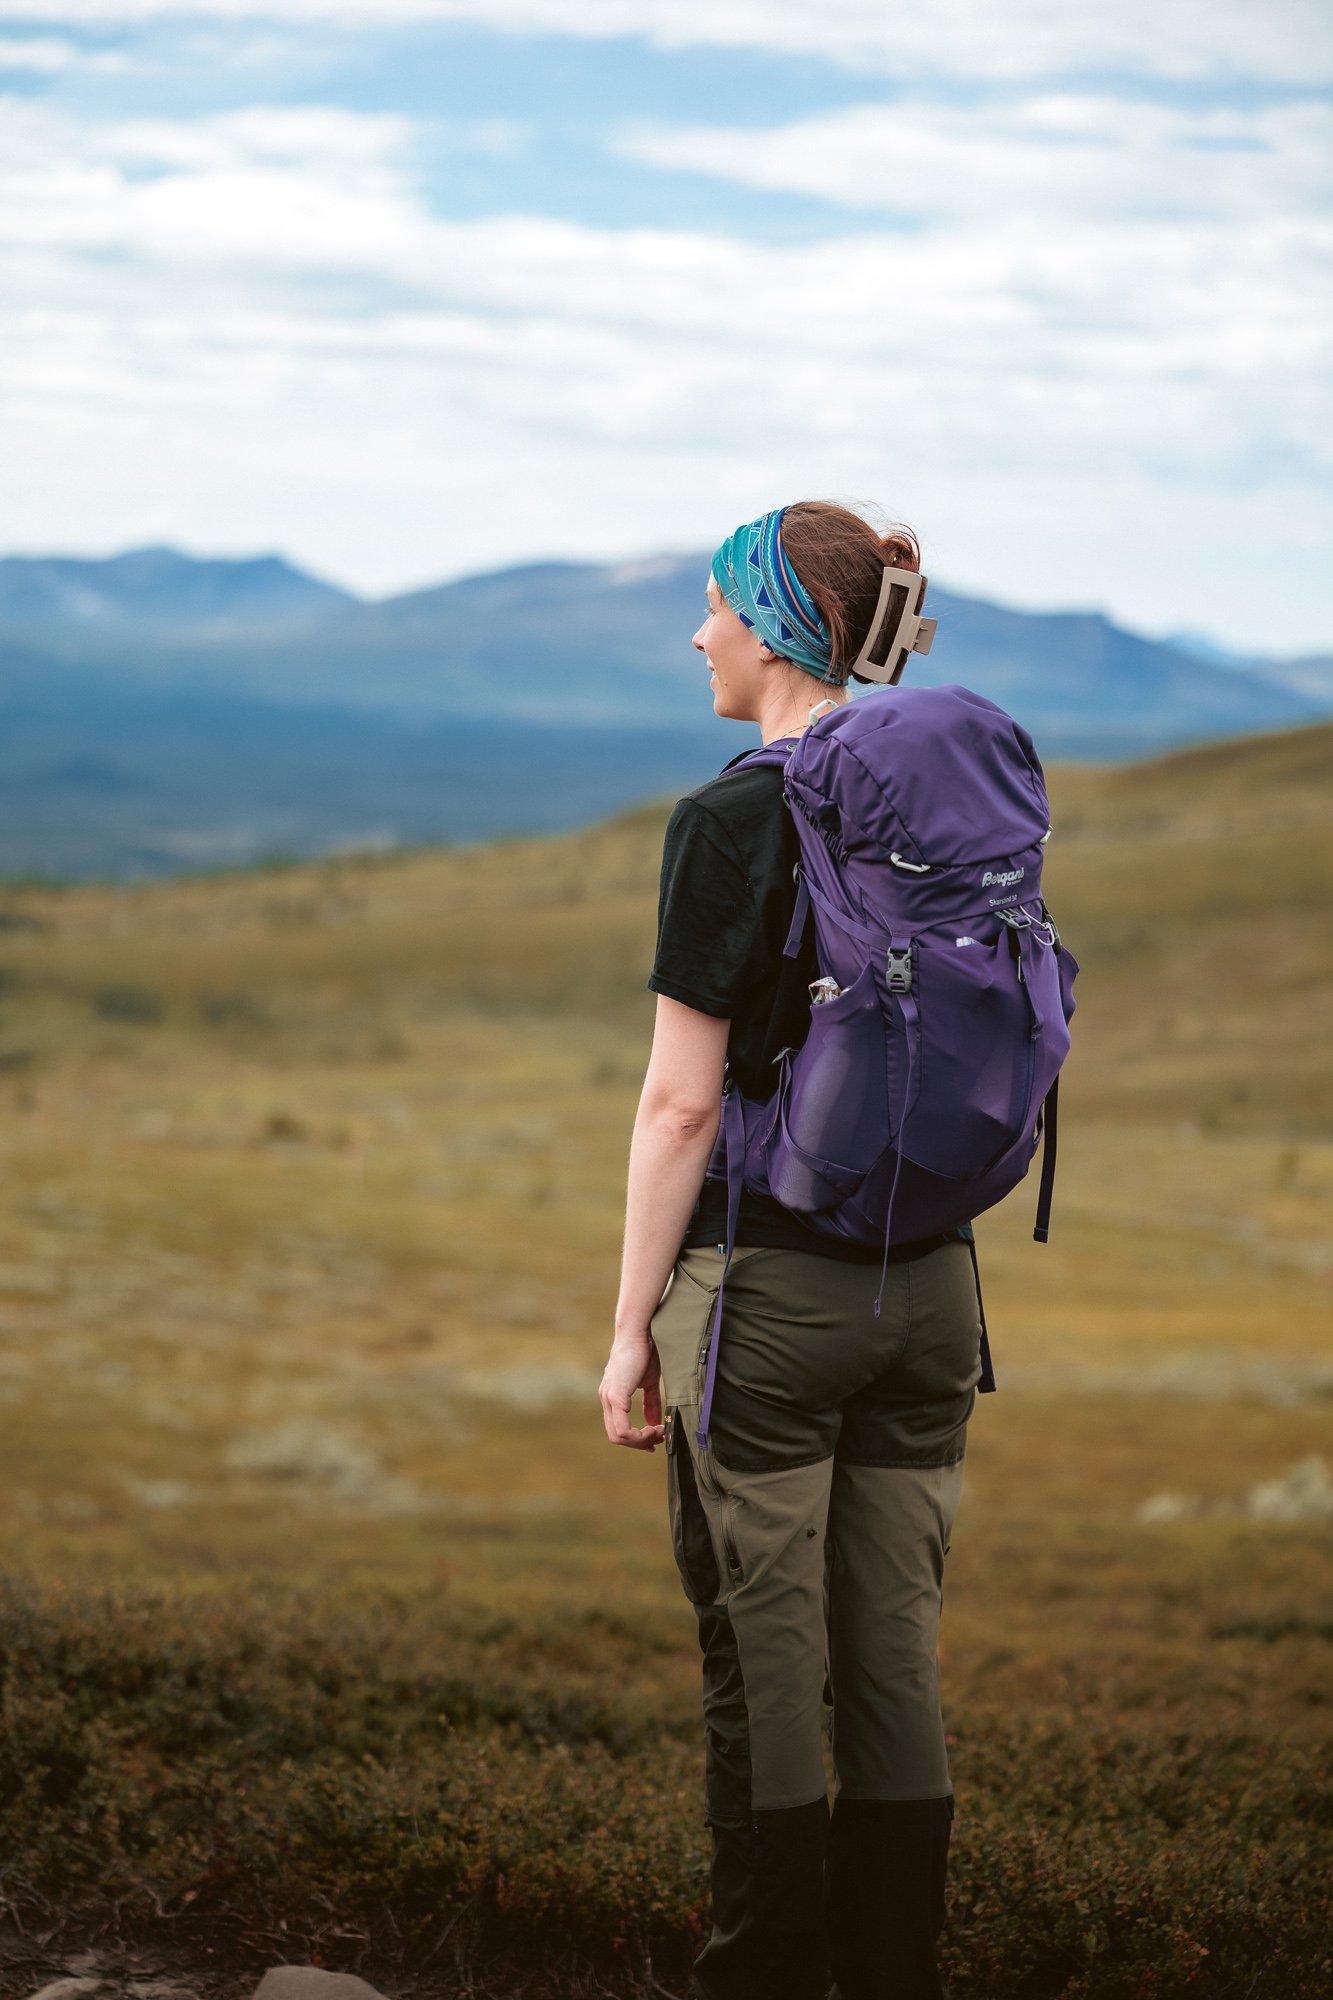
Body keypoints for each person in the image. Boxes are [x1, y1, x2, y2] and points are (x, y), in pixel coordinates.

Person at [599, 500, 986, 2000]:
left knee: (761, 1671)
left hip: (762, 1296)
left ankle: (754, 1981)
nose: (694, 634)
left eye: (709, 606)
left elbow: (679, 1104)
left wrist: (632, 1326)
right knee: (891, 1664)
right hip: (934, 1291)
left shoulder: (730, 817)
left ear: (766, 628)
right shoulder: (943, 799)